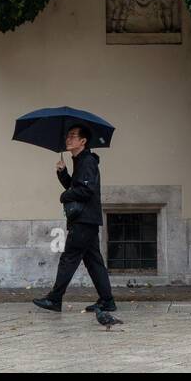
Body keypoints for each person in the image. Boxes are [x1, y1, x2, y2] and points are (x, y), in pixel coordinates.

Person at [33, 123, 117, 314]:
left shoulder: (87, 160)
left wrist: (64, 197)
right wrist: (63, 174)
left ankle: (54, 299)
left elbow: (86, 190)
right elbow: (76, 186)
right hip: (86, 219)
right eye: (68, 136)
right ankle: (107, 301)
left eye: (72, 136)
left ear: (83, 141)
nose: (68, 139)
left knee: (69, 258)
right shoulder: (80, 160)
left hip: (84, 220)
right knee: (94, 261)